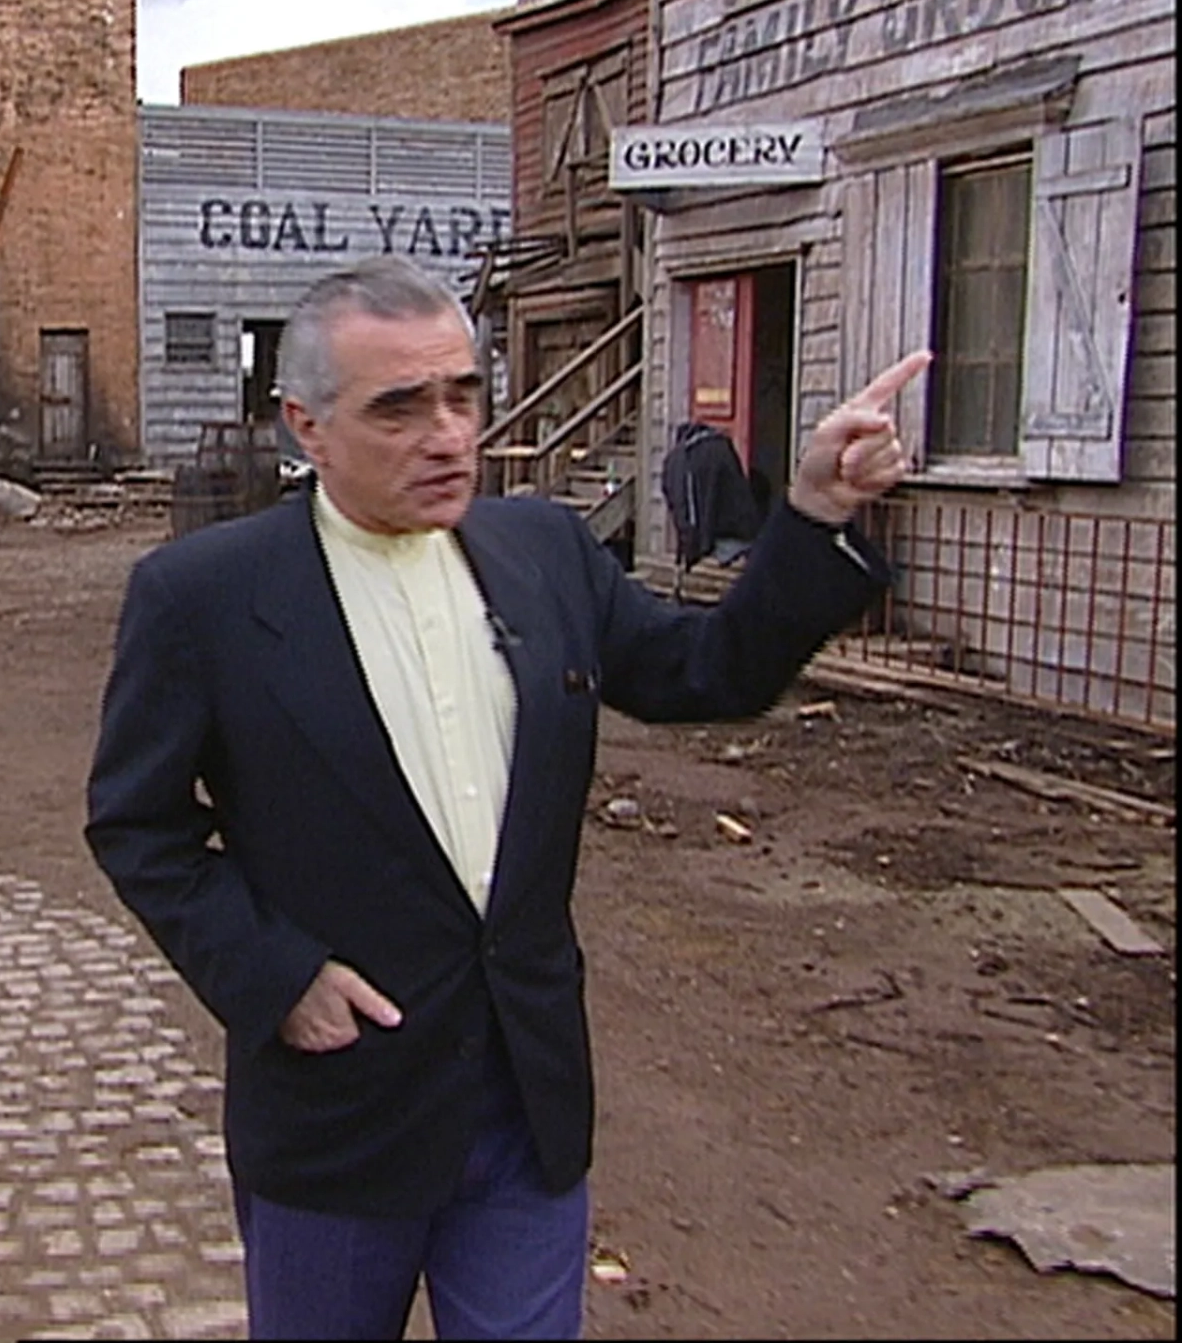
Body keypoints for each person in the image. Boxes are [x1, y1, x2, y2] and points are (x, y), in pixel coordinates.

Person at [85, 254, 927, 1340]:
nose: (447, 434)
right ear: (307, 425)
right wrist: (273, 975)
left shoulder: (544, 551)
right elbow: (138, 822)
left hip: (525, 1102)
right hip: (342, 1113)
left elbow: (707, 671)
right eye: (400, 407)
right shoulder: (204, 595)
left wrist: (810, 517)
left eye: (463, 395)